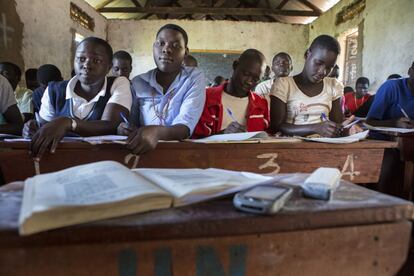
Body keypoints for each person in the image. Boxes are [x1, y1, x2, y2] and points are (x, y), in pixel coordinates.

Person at [24, 37, 132, 158]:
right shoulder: (54, 90)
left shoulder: (118, 83)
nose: (86, 65)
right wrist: (33, 130)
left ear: (109, 67)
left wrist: (68, 123)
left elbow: (110, 124)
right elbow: (45, 128)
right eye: (81, 59)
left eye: (96, 60)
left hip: (103, 160)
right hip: (60, 159)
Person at [119, 24, 206, 154]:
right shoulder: (138, 82)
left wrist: (157, 132)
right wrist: (123, 128)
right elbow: (133, 123)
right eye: (161, 43)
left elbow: (185, 127)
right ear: (154, 47)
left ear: (186, 52)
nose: (166, 49)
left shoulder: (193, 78)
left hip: (179, 154)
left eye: (175, 45)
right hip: (143, 153)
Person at [270, 35, 353, 137]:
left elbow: (336, 124)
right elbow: (277, 126)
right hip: (292, 148)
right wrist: (315, 128)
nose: (323, 71)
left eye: (329, 67)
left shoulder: (333, 86)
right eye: (319, 63)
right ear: (307, 54)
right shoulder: (284, 85)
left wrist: (347, 129)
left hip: (324, 147)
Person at [193, 49, 268, 137]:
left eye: (255, 79)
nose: (249, 82)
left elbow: (265, 136)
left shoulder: (261, 104)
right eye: (246, 74)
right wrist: (222, 135)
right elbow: (194, 140)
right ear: (235, 65)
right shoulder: (206, 97)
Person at [366, 61, 414, 128]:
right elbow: (369, 122)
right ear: (409, 71)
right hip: (384, 137)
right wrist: (395, 123)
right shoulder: (391, 87)